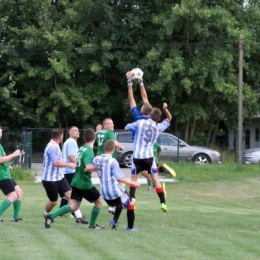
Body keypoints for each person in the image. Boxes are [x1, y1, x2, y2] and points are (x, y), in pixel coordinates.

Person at [44, 128, 105, 230]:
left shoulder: (82, 148)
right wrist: (100, 167)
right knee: (99, 202)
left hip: (76, 181)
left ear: (85, 138)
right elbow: (87, 168)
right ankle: (92, 225)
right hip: (84, 183)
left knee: (74, 206)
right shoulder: (89, 151)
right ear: (94, 138)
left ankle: (50, 216)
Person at [125, 103, 172, 212]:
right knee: (155, 179)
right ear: (158, 118)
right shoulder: (158, 126)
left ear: (149, 115)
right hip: (149, 158)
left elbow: (126, 127)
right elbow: (169, 118)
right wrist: (165, 108)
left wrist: (132, 129)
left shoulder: (140, 122)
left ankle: (132, 199)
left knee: (133, 180)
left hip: (137, 157)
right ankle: (163, 203)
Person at [87, 140, 140, 231]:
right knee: (130, 202)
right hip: (114, 191)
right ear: (114, 149)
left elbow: (90, 168)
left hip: (104, 193)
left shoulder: (97, 159)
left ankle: (114, 221)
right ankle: (129, 227)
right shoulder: (112, 161)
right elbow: (119, 178)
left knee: (119, 203)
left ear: (104, 148)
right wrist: (133, 182)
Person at [42, 128, 75, 218]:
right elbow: (56, 163)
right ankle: (46, 214)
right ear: (61, 137)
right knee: (54, 201)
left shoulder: (55, 145)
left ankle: (78, 216)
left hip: (59, 177)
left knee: (70, 194)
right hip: (50, 179)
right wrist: (69, 165)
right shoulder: (52, 147)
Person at [60, 126, 88, 224]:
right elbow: (71, 157)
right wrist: (79, 167)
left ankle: (63, 210)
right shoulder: (71, 142)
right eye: (74, 130)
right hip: (69, 171)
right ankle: (75, 213)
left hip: (68, 171)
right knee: (73, 192)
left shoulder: (70, 142)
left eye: (77, 130)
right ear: (69, 133)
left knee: (68, 192)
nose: (77, 132)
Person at [95, 118, 124, 214]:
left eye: (113, 123)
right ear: (105, 125)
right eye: (110, 124)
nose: (112, 125)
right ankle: (119, 203)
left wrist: (97, 131)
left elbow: (95, 137)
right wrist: (120, 146)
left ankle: (111, 206)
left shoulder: (99, 132)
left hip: (99, 157)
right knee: (117, 181)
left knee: (104, 181)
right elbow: (114, 142)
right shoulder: (109, 133)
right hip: (108, 158)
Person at [0, 126, 23, 222]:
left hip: (6, 173)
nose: (1, 130)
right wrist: (13, 155)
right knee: (13, 195)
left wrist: (7, 165)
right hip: (2, 175)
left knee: (19, 193)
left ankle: (15, 217)